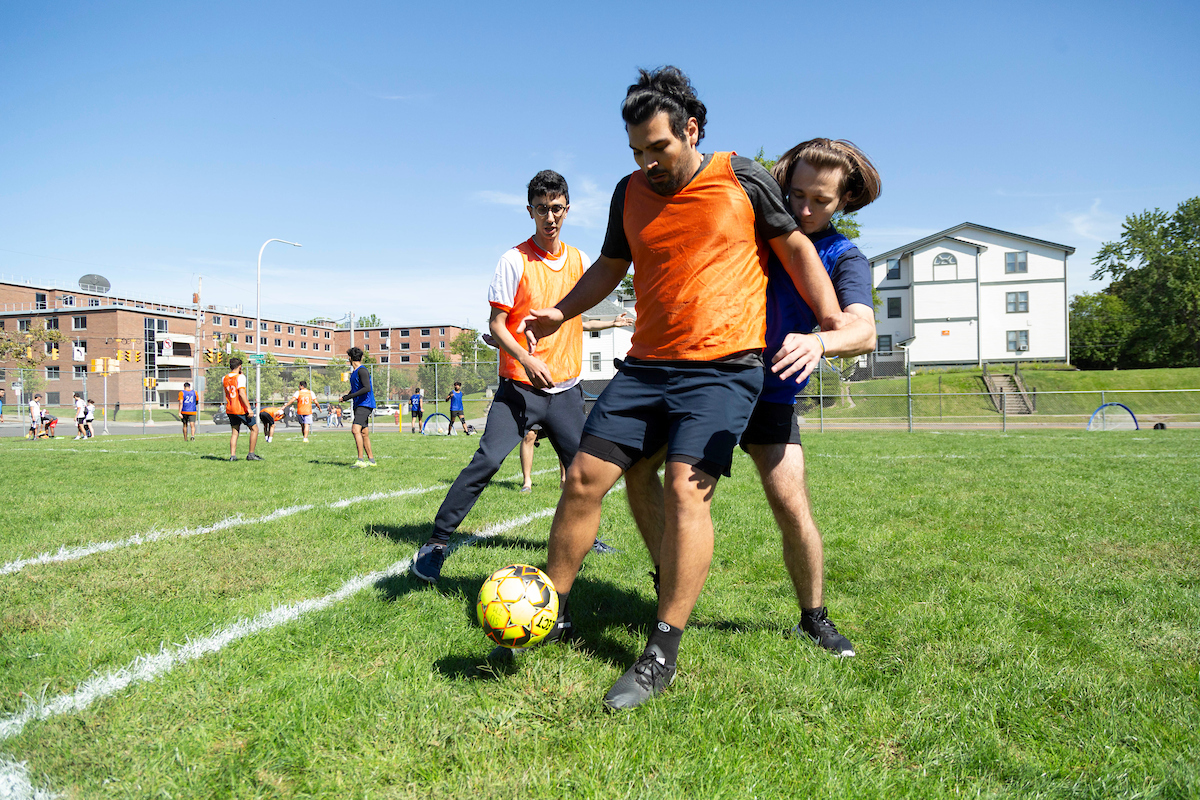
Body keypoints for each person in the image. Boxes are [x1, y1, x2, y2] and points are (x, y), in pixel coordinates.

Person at [518, 67, 872, 710]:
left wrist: (828, 325)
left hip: (726, 365)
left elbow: (794, 248)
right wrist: (561, 311)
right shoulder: (628, 193)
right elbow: (609, 265)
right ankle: (550, 612)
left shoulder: (742, 178)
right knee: (583, 478)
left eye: (659, 148)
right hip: (647, 363)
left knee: (688, 489)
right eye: (636, 152)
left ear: (691, 129)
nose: (648, 163)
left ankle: (661, 652)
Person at [624, 138, 881, 660]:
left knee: (791, 505)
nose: (804, 208)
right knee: (637, 473)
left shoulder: (843, 257)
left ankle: (815, 618)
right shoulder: (751, 222)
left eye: (822, 201)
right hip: (705, 385)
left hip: (771, 397)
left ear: (845, 202)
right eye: (797, 194)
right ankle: (668, 580)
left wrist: (819, 340)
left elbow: (864, 330)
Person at [411, 169, 622, 584]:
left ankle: (584, 538)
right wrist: (526, 359)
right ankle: (435, 544)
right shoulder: (513, 260)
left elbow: (579, 317)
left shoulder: (580, 260)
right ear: (530, 211)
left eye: (557, 208)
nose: (550, 217)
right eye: (542, 209)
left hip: (566, 393)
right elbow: (496, 325)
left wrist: (615, 323)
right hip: (519, 391)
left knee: (585, 473)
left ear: (568, 209)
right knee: (487, 460)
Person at [339, 347, 376, 467]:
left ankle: (360, 460)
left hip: (365, 404)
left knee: (355, 430)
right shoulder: (355, 372)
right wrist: (346, 396)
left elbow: (366, 388)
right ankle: (371, 461)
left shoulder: (362, 370)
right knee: (364, 432)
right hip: (359, 404)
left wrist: (348, 397)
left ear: (350, 358)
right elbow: (357, 388)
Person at [222, 357, 263, 461]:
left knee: (235, 432)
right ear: (240, 366)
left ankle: (233, 456)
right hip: (240, 408)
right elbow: (241, 393)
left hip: (230, 408)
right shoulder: (240, 377)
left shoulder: (225, 378)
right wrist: (249, 408)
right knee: (255, 429)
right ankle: (251, 454)